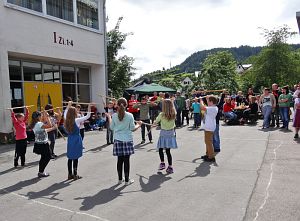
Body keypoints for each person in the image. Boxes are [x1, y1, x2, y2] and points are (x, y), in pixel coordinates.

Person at [106, 98, 142, 185]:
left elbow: (111, 128)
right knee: (126, 161)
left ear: (117, 105)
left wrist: (109, 117)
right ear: (126, 105)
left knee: (119, 160)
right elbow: (132, 129)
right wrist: (139, 124)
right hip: (127, 140)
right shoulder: (130, 115)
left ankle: (119, 179)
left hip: (118, 139)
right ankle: (126, 180)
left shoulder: (114, 115)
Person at [64, 101, 91, 180]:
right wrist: (89, 106)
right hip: (76, 139)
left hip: (70, 139)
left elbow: (65, 112)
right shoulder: (77, 120)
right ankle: (75, 174)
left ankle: (69, 174)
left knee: (70, 157)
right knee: (75, 157)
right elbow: (87, 116)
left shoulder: (66, 119)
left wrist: (68, 105)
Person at [31, 111, 57, 178]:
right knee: (47, 157)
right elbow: (49, 125)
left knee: (43, 157)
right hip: (43, 144)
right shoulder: (39, 123)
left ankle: (40, 172)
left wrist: (52, 128)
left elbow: (43, 131)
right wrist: (47, 117)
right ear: (38, 117)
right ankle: (41, 172)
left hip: (38, 143)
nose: (42, 116)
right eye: (41, 115)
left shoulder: (34, 123)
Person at [155, 99, 178, 173]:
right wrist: (172, 102)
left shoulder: (161, 114)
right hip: (171, 133)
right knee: (168, 151)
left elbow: (156, 121)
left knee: (161, 149)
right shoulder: (174, 113)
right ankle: (170, 166)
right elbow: (173, 108)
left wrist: (154, 123)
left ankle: (162, 163)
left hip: (163, 133)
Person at [199, 96, 218, 162]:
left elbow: (202, 107)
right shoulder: (211, 107)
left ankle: (211, 157)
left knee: (208, 142)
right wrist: (207, 98)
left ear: (211, 102)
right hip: (208, 127)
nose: (207, 102)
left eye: (208, 101)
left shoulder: (213, 108)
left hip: (209, 127)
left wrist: (201, 100)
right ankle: (208, 154)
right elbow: (205, 107)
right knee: (207, 142)